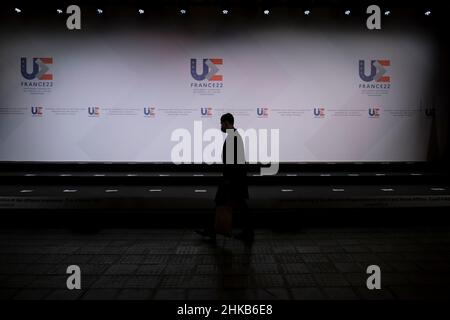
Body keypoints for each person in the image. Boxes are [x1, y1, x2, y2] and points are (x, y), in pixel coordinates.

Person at [195, 113, 254, 242]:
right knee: (237, 205)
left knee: (225, 203)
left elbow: (233, 162)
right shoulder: (234, 136)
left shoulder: (233, 137)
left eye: (221, 123)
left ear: (226, 123)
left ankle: (213, 231)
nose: (220, 126)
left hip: (232, 180)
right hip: (235, 179)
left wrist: (228, 179)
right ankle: (246, 232)